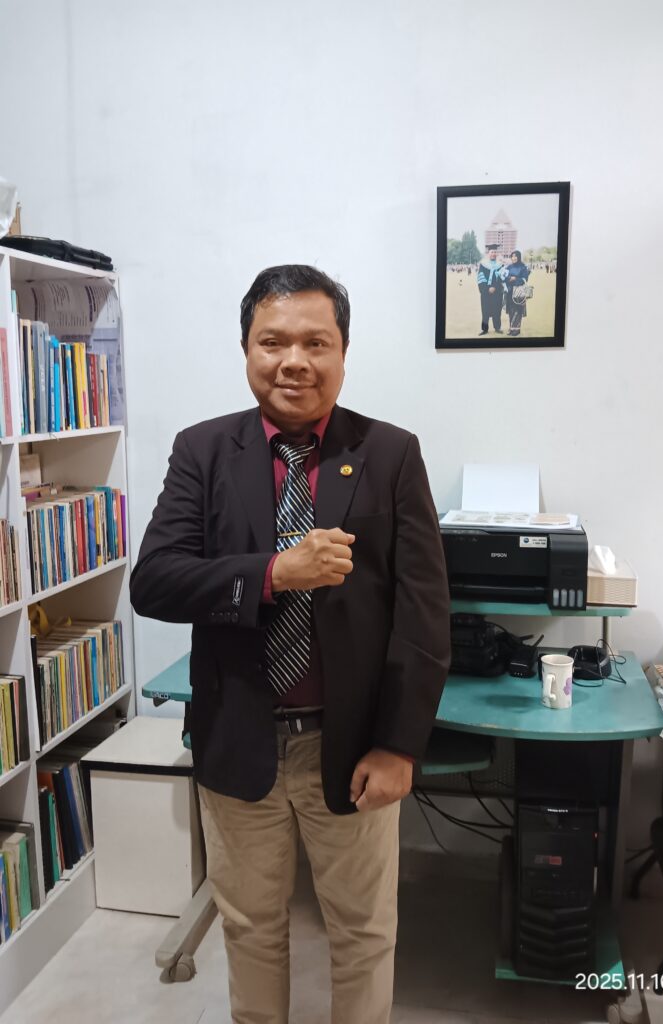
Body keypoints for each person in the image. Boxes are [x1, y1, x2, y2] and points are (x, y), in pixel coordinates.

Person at [130, 264, 451, 1024]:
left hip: (353, 745)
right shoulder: (203, 450)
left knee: (364, 933)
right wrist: (274, 573)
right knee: (250, 929)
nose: (293, 361)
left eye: (316, 342)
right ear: (246, 349)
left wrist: (399, 746)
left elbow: (424, 612)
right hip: (238, 737)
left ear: (343, 352)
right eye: (272, 341)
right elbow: (156, 582)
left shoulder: (390, 453)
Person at [501, 249, 531, 337]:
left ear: (519, 257)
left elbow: (525, 279)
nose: (514, 258)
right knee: (511, 310)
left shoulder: (523, 267)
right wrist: (509, 279)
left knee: (518, 310)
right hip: (510, 292)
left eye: (515, 256)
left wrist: (515, 279)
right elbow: (504, 277)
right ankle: (511, 328)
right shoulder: (509, 267)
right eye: (512, 256)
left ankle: (516, 330)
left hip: (518, 292)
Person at [476, 243, 504, 334]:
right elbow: (481, 277)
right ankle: (485, 329)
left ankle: (497, 328)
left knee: (497, 310)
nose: (493, 254)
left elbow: (502, 278)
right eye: (492, 252)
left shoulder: (500, 265)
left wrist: (494, 287)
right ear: (488, 253)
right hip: (485, 292)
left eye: (495, 252)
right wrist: (487, 288)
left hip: (497, 292)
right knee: (485, 310)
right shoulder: (483, 265)